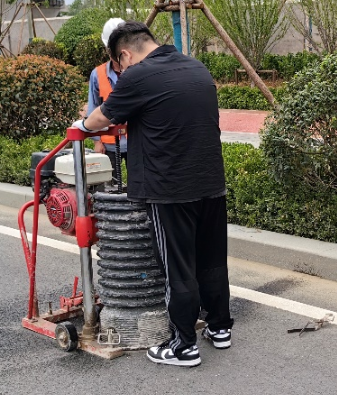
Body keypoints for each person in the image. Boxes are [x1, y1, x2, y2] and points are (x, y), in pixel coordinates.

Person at [79, 21, 232, 368]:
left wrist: (80, 127)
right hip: (211, 182)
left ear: (124, 55)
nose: (122, 71)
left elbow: (101, 117)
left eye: (120, 66)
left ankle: (183, 347)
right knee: (211, 261)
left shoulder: (138, 75)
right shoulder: (196, 67)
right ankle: (220, 328)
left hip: (170, 188)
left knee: (177, 270)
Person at [85, 18, 129, 183]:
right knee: (111, 188)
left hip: (136, 142)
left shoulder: (138, 71)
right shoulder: (98, 74)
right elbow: (93, 108)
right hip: (109, 144)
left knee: (139, 188)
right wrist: (97, 141)